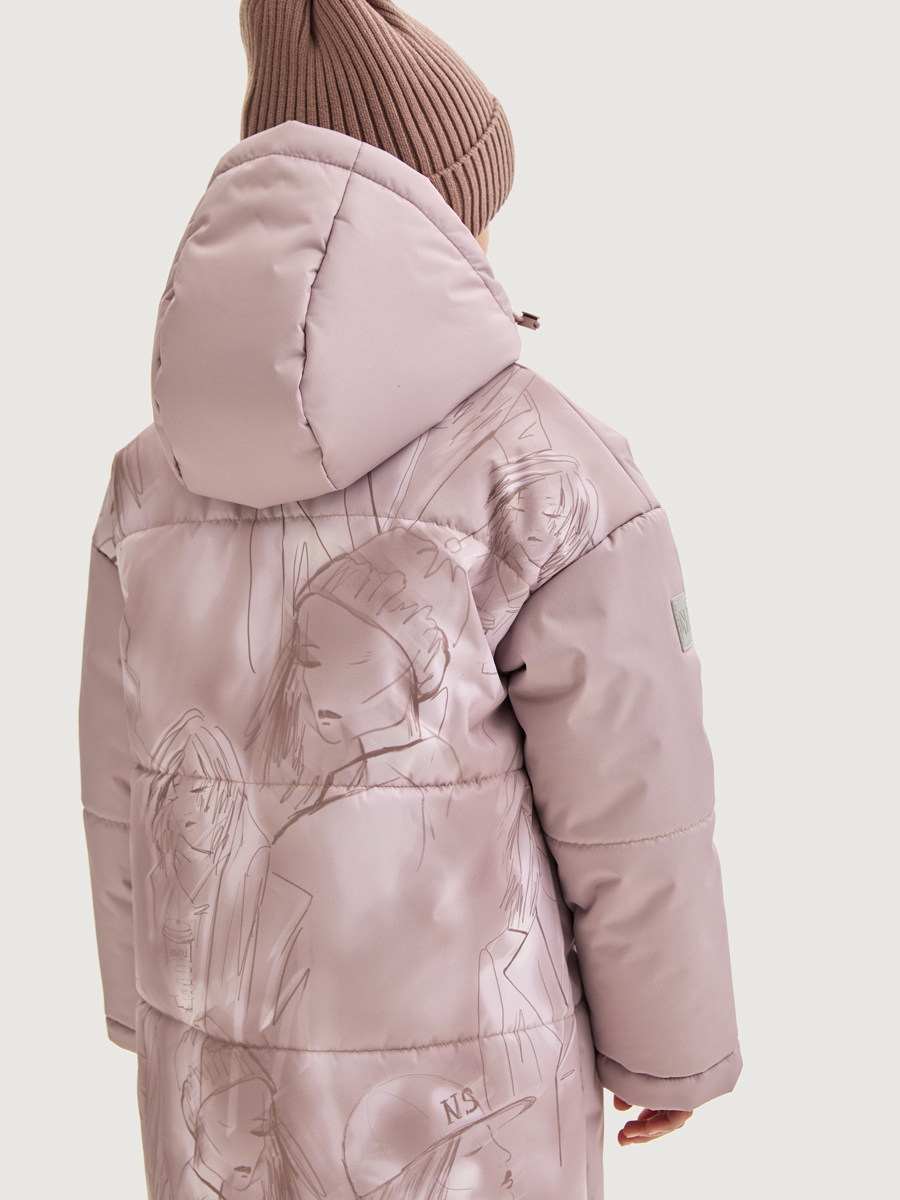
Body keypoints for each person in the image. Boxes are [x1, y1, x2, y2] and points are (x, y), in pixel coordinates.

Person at [78, 2, 741, 1197]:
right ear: (437, 222)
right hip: (473, 1128)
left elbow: (127, 777)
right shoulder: (544, 464)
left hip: (216, 1101)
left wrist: (145, 1002)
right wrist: (671, 1042)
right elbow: (631, 798)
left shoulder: (152, 473)